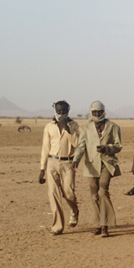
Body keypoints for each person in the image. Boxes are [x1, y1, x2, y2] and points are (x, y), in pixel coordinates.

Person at [72, 101, 122, 238]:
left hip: (107, 162)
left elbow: (118, 145)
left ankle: (106, 225)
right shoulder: (85, 128)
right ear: (91, 112)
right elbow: (81, 146)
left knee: (103, 188)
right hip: (91, 165)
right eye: (94, 112)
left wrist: (107, 148)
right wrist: (75, 160)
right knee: (94, 195)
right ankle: (97, 224)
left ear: (103, 112)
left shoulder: (113, 127)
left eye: (99, 112)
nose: (97, 114)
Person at [38, 100, 80, 235]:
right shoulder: (49, 127)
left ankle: (74, 211)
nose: (61, 114)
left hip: (68, 163)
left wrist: (66, 128)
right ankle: (57, 226)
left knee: (68, 192)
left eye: (64, 111)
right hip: (52, 162)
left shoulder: (74, 126)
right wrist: (42, 169)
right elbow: (45, 148)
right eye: (59, 111)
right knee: (53, 194)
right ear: (54, 111)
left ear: (68, 111)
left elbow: (77, 144)